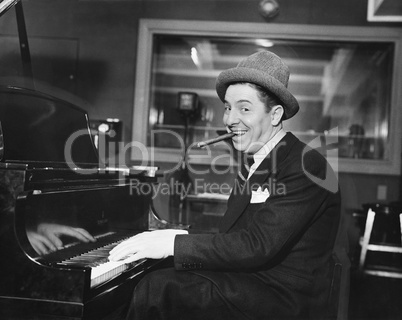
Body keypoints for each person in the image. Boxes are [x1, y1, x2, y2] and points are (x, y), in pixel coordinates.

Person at [108, 51, 341, 319]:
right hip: (254, 280)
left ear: (275, 115)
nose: (230, 119)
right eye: (228, 107)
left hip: (283, 298)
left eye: (244, 108)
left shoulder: (307, 164)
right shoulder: (256, 161)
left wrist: (173, 242)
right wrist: (171, 247)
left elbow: (256, 245)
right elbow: (234, 239)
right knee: (158, 274)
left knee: (158, 289)